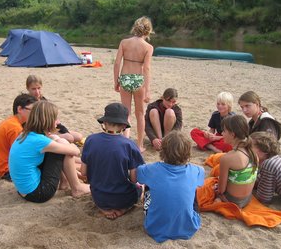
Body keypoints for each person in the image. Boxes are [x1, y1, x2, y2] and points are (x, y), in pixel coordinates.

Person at [8, 100, 90, 203]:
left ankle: (65, 182)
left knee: (58, 145)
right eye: (56, 119)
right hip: (38, 193)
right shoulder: (40, 141)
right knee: (63, 143)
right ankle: (77, 188)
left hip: (23, 190)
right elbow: (75, 151)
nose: (58, 122)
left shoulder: (25, 134)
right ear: (48, 120)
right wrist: (61, 140)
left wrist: (54, 138)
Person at [137, 131, 204, 243]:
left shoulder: (151, 169)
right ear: (188, 153)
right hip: (189, 227)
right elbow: (200, 182)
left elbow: (138, 175)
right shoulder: (197, 170)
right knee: (193, 189)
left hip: (154, 227)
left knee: (149, 185)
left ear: (163, 151)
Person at [80, 103, 145, 219]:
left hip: (99, 197)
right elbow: (134, 179)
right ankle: (122, 210)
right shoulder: (129, 145)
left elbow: (83, 172)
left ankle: (104, 210)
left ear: (104, 122)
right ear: (124, 126)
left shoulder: (90, 140)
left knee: (100, 191)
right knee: (141, 187)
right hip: (123, 198)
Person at [114, 16, 154, 152]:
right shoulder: (148, 47)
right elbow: (146, 68)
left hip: (125, 78)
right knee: (140, 113)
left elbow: (117, 63)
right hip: (138, 80)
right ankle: (140, 145)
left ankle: (125, 141)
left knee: (126, 113)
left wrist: (116, 81)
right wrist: (147, 90)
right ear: (148, 31)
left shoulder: (124, 42)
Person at [0, 93, 37, 181]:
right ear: (19, 109)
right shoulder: (15, 128)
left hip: (0, 167)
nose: (35, 114)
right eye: (32, 110)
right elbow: (22, 154)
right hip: (6, 170)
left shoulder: (12, 122)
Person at [215, 114, 258, 208]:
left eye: (224, 131)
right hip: (247, 199)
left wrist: (218, 193)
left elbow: (221, 190)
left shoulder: (227, 158)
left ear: (232, 134)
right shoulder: (254, 154)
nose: (222, 133)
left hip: (232, 200)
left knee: (208, 185)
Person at [26, 75, 83, 143]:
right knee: (70, 138)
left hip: (52, 126)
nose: (37, 92)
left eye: (39, 88)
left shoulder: (43, 99)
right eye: (33, 89)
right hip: (43, 130)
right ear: (27, 88)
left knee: (79, 136)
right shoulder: (28, 103)